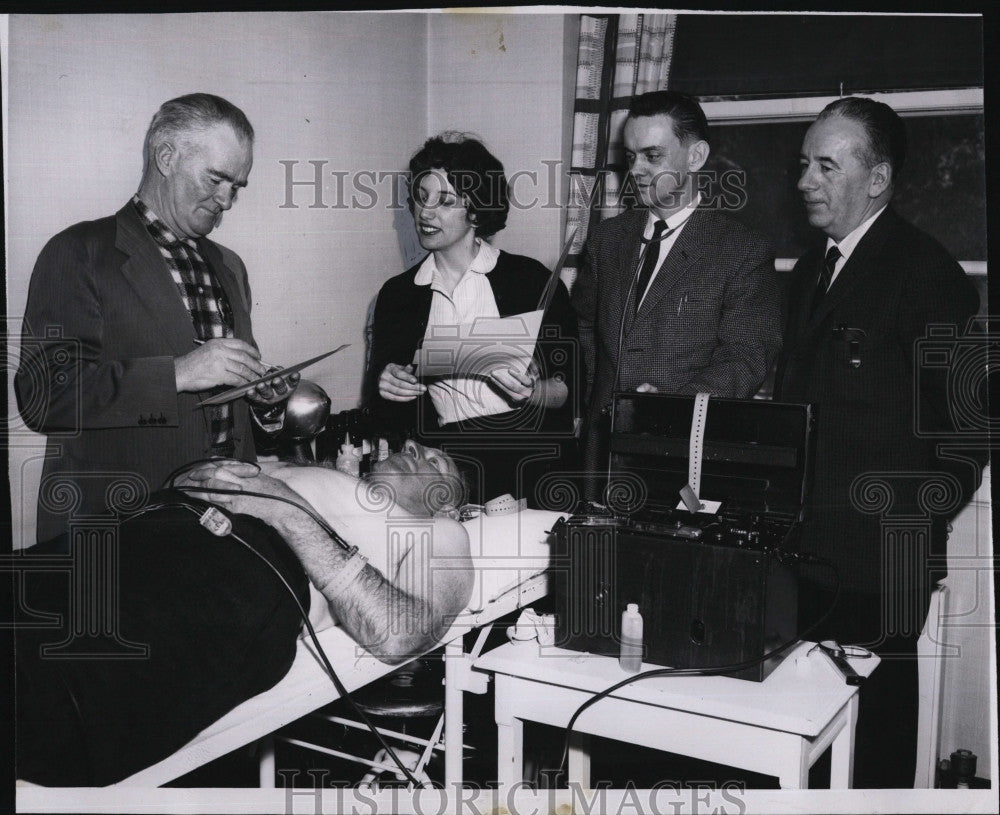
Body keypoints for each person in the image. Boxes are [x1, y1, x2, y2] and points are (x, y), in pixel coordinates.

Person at [15, 442, 473, 786]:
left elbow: (401, 633)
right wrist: (199, 476)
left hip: (238, 575)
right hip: (138, 530)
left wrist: (289, 514)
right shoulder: (320, 470)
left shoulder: (437, 529)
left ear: (449, 503)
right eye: (418, 446)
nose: (413, 447)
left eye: (436, 464)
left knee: (37, 685)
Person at [775, 96, 983, 788]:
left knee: (874, 748)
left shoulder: (926, 273)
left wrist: (906, 527)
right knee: (802, 737)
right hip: (804, 555)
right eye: (804, 163)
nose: (806, 179)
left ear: (878, 177)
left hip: (877, 565)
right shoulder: (810, 271)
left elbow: (966, 434)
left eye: (826, 165)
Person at [15, 93, 296, 545]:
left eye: (237, 186)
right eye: (217, 178)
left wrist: (262, 403)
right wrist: (179, 374)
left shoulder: (230, 265)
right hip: (123, 532)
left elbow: (225, 411)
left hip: (225, 525)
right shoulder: (79, 252)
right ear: (166, 157)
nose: (227, 199)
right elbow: (42, 397)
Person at [571, 91, 782, 496]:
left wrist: (670, 405)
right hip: (600, 456)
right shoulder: (606, 241)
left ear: (696, 156)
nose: (637, 170)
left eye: (653, 156)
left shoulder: (741, 250)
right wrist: (589, 406)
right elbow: (584, 329)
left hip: (686, 455)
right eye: (630, 157)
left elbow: (746, 358)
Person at [364, 133, 580, 507]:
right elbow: (384, 413)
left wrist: (533, 391)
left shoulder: (531, 281)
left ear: (476, 211)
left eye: (446, 202)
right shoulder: (397, 294)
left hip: (533, 460)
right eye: (422, 198)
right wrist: (386, 384)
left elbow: (569, 390)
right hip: (446, 468)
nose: (425, 213)